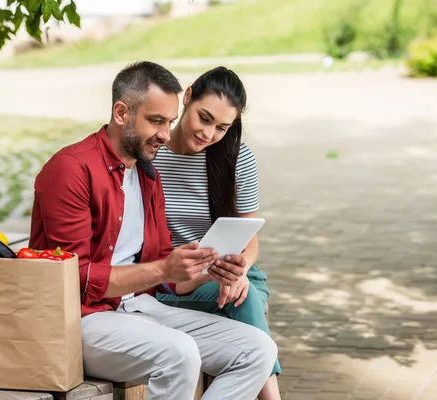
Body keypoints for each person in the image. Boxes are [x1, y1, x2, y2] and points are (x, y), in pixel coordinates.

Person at [29, 61, 277, 400]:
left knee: (258, 350)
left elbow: (167, 277)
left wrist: (209, 272)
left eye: (169, 122)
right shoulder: (71, 169)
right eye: (156, 121)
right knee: (179, 354)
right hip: (80, 319)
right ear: (121, 113)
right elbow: (74, 278)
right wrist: (163, 268)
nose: (164, 133)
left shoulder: (147, 176)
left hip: (136, 308)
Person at [153, 66, 282, 400]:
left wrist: (238, 268)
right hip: (172, 280)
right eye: (204, 118)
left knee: (241, 290)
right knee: (241, 298)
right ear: (188, 96)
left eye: (222, 127)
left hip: (228, 270)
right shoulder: (152, 156)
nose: (209, 134)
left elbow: (249, 237)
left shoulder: (237, 158)